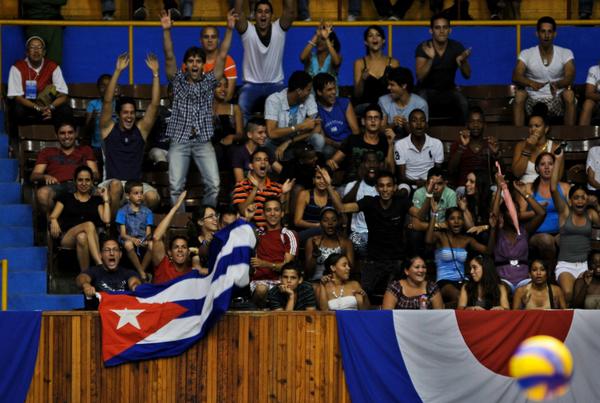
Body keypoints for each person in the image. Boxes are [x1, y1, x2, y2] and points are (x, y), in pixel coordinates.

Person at [161, 9, 236, 210]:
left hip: (203, 140)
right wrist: (166, 30)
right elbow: (169, 56)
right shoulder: (177, 81)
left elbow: (222, 55)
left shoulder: (210, 81)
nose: (194, 64)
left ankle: (206, 219)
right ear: (185, 65)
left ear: (204, 65)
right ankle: (181, 222)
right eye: (191, 61)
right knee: (176, 187)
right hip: (179, 139)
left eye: (198, 61)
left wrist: (229, 29)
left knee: (214, 184)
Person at [331, 170, 411, 303]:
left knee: (394, 296)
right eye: (381, 185)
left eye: (389, 185)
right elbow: (341, 208)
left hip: (396, 260)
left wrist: (429, 194)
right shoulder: (369, 202)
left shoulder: (401, 202)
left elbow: (419, 215)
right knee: (363, 295)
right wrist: (329, 186)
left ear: (394, 187)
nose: (385, 189)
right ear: (376, 188)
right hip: (373, 259)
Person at [98, 53, 161, 214]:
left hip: (135, 186)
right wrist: (118, 71)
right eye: (125, 113)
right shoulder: (108, 129)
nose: (129, 116)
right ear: (118, 114)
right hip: (111, 183)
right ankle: (110, 229)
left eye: (132, 113)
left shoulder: (141, 130)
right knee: (116, 185)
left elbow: (154, 105)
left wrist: (155, 74)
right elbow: (107, 101)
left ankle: (137, 227)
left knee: (153, 197)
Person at [552, 150, 600, 306]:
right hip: (565, 264)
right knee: (568, 294)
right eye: (576, 198)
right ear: (571, 201)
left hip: (584, 265)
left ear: (588, 199)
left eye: (583, 197)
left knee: (581, 298)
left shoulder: (591, 214)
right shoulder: (565, 213)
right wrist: (558, 160)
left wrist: (597, 204)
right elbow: (553, 189)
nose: (580, 201)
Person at [234, 0, 295, 122]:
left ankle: (283, 139)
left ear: (272, 16)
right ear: (254, 14)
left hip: (276, 85)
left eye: (267, 12)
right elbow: (238, 12)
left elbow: (290, 10)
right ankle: (243, 140)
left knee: (288, 112)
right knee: (240, 111)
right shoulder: (247, 31)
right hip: (250, 86)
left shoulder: (279, 29)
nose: (263, 15)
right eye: (260, 11)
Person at [425, 206, 497, 307]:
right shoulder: (440, 236)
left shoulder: (466, 240)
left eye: (459, 218)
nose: (456, 221)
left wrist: (493, 228)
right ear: (446, 222)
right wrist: (434, 214)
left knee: (476, 297)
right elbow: (428, 240)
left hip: (463, 280)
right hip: (444, 282)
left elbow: (488, 251)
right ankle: (441, 307)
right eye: (452, 218)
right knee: (460, 297)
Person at [511, 16, 575, 126]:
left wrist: (558, 84)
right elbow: (516, 76)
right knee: (519, 95)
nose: (546, 35)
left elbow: (570, 76)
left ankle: (569, 137)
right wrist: (531, 83)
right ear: (537, 33)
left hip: (556, 100)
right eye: (543, 31)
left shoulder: (565, 53)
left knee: (569, 94)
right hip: (532, 100)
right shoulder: (526, 53)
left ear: (554, 34)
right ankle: (519, 137)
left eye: (550, 32)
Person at [49, 166, 110, 271]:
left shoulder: (96, 200)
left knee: (82, 237)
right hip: (68, 236)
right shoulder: (66, 197)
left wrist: (106, 199)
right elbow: (53, 215)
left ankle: (85, 274)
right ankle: (99, 264)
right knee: (89, 225)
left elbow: (107, 220)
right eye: (80, 180)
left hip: (91, 238)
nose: (84, 183)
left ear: (92, 182)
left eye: (87, 180)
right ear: (75, 181)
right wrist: (53, 220)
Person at [31, 121, 98, 214]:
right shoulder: (46, 152)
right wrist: (45, 176)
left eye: (70, 132)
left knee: (102, 193)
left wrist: (84, 178)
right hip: (58, 186)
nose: (66, 136)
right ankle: (55, 222)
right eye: (62, 133)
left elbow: (95, 173)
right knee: (42, 193)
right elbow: (34, 175)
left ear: (76, 133)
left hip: (81, 184)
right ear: (56, 135)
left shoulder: (86, 150)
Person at [415, 15, 471, 125]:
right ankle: (422, 137)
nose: (441, 31)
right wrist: (430, 59)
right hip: (426, 90)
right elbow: (420, 77)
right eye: (437, 28)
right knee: (420, 103)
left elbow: (467, 75)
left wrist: (463, 61)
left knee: (464, 103)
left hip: (449, 90)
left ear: (450, 30)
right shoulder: (424, 47)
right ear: (431, 30)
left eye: (445, 27)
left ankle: (464, 137)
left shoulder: (456, 46)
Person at [517, 152, 569, 271]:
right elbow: (519, 215)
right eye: (542, 164)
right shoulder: (528, 188)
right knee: (546, 240)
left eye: (550, 164)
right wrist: (537, 209)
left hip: (559, 232)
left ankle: (566, 272)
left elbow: (572, 213)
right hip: (536, 234)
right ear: (537, 168)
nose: (546, 167)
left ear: (555, 167)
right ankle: (551, 275)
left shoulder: (565, 187)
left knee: (568, 239)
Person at [495, 177, 547, 291]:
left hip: (524, 280)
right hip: (503, 280)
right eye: (510, 210)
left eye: (517, 211)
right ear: (503, 214)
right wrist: (499, 188)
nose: (514, 214)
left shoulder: (525, 230)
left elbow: (542, 213)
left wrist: (524, 193)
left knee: (528, 290)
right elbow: (493, 215)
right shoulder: (497, 232)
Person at [7, 36, 71, 126]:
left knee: (65, 110)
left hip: (48, 105)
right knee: (16, 110)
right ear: (27, 52)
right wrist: (37, 108)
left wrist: (50, 107)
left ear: (44, 52)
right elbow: (18, 97)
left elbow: (63, 95)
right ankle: (20, 138)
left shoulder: (53, 66)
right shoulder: (17, 67)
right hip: (27, 106)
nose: (36, 50)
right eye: (32, 47)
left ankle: (60, 137)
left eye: (39, 47)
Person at [326, 104, 394, 184]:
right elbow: (332, 162)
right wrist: (329, 167)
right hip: (351, 183)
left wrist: (390, 144)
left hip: (375, 186)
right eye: (369, 118)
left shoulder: (385, 142)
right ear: (363, 121)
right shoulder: (352, 139)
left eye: (376, 118)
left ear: (381, 121)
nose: (373, 121)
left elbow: (391, 171)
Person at [264, 70, 324, 160]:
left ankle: (316, 170)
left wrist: (289, 142)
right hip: (277, 142)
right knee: (265, 143)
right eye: (308, 90)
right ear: (299, 91)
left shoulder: (309, 98)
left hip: (299, 140)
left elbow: (317, 127)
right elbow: (271, 133)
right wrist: (300, 126)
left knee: (318, 139)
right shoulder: (274, 100)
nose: (310, 93)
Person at [250, 198, 298, 307]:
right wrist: (248, 218)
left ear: (282, 214)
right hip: (259, 281)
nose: (272, 213)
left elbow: (287, 267)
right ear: (263, 214)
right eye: (268, 210)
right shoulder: (257, 233)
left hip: (282, 281)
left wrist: (265, 264)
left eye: (276, 210)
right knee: (261, 289)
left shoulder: (288, 234)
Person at [232, 148, 293, 228]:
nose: (263, 162)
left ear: (269, 165)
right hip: (252, 232)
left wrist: (284, 194)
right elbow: (243, 212)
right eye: (258, 159)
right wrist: (255, 188)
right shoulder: (241, 185)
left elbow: (282, 215)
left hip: (271, 232)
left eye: (266, 160)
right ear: (251, 165)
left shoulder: (278, 187)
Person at [75, 238, 141, 310]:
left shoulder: (128, 273)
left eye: (115, 250)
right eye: (107, 250)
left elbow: (134, 281)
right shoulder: (94, 271)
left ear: (120, 254)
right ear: (101, 255)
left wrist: (135, 287)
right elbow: (81, 278)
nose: (111, 253)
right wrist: (86, 285)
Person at [447, 107, 501, 187]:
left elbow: (502, 172)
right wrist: (462, 147)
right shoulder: (459, 144)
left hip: (486, 189)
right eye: (472, 122)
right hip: (464, 187)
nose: (476, 125)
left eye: (479, 122)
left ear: (484, 125)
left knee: (497, 191)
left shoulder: (490, 144)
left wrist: (496, 154)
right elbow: (451, 170)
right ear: (467, 125)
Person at [353, 26, 400, 115]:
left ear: (383, 40)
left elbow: (398, 92)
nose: (374, 38)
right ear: (366, 42)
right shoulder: (359, 63)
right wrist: (362, 80)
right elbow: (357, 95)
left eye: (378, 35)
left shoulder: (394, 63)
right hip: (366, 107)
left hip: (388, 106)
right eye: (370, 35)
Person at [342, 151, 381, 258]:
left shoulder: (383, 186)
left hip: (378, 231)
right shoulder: (353, 185)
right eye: (368, 162)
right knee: (361, 245)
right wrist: (359, 180)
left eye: (375, 162)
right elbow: (344, 205)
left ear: (379, 165)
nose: (372, 165)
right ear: (362, 165)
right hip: (358, 231)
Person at [313, 73, 359, 159]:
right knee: (327, 151)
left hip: (349, 142)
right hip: (331, 144)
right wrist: (336, 144)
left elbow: (355, 131)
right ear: (319, 92)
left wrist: (348, 145)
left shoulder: (345, 102)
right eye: (329, 89)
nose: (334, 92)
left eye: (334, 88)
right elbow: (321, 136)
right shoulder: (315, 109)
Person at [394, 109, 444, 188]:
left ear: (426, 124)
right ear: (409, 124)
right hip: (408, 183)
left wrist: (427, 183)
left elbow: (437, 173)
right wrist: (416, 183)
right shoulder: (400, 144)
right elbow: (401, 177)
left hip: (431, 183)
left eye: (422, 120)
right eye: (414, 120)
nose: (419, 124)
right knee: (403, 192)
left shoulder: (437, 144)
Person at [151, 192, 193, 284]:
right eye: (176, 247)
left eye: (184, 247)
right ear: (170, 252)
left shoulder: (193, 273)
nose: (180, 250)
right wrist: (175, 207)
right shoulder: (163, 266)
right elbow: (156, 237)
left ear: (188, 252)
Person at [116, 181, 154, 282]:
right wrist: (133, 239)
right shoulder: (122, 212)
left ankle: (142, 270)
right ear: (128, 196)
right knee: (129, 244)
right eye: (136, 193)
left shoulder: (148, 212)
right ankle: (142, 273)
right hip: (128, 239)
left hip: (142, 239)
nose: (139, 196)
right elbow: (123, 234)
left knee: (152, 245)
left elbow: (148, 233)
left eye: (141, 193)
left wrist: (145, 240)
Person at [511, 110, 563, 184]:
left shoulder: (555, 148)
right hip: (524, 187)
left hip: (547, 187)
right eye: (530, 126)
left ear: (546, 129)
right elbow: (517, 174)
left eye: (537, 126)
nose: (533, 129)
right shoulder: (520, 146)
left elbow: (558, 178)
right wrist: (527, 149)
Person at [305, 207, 354, 282]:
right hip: (316, 282)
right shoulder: (312, 241)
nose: (330, 223)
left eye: (334, 220)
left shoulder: (346, 243)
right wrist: (315, 252)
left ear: (338, 222)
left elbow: (351, 270)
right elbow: (309, 272)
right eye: (325, 220)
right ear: (320, 223)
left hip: (338, 284)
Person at [379, 67, 428, 138]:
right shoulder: (383, 101)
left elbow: (422, 134)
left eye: (392, 85)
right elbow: (380, 131)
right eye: (388, 84)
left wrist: (406, 125)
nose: (388, 87)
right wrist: (393, 124)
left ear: (404, 86)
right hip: (388, 143)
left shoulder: (420, 104)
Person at [84, 73, 118, 177]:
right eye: (103, 86)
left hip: (115, 144)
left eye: (109, 86)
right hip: (97, 146)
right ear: (98, 89)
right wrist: (93, 118)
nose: (106, 89)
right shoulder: (93, 104)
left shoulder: (118, 104)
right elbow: (86, 129)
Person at [294, 168, 335, 242]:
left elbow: (342, 218)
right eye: (318, 178)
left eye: (325, 178)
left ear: (330, 180)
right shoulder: (305, 194)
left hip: (328, 232)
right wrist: (317, 226)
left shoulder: (334, 195)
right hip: (308, 232)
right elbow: (297, 222)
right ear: (313, 180)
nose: (322, 181)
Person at [199, 26, 238, 101]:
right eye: (206, 37)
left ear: (218, 41)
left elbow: (228, 95)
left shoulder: (228, 61)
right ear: (201, 40)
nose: (210, 40)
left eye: (213, 37)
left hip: (220, 107)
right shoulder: (192, 62)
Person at [212, 77, 244, 167]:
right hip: (211, 146)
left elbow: (240, 134)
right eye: (219, 86)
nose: (223, 89)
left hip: (230, 146)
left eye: (226, 86)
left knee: (233, 151)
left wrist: (232, 137)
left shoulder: (234, 108)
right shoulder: (204, 108)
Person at [230, 118, 268, 183]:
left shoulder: (264, 151)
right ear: (249, 135)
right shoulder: (239, 153)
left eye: (265, 132)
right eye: (260, 132)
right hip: (243, 190)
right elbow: (240, 183)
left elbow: (279, 169)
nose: (265, 135)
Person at [187, 205, 219, 275]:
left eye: (216, 216)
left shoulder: (222, 238)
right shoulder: (193, 242)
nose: (216, 218)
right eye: (211, 216)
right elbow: (197, 268)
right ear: (200, 222)